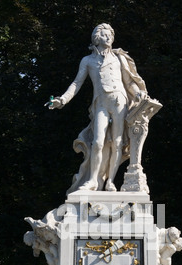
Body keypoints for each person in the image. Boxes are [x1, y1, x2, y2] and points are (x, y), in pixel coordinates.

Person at [47, 23, 148, 192]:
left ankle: (110, 181)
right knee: (98, 142)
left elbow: (129, 82)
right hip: (100, 103)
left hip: (119, 101)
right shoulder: (87, 61)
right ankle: (93, 180)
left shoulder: (118, 58)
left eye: (110, 35)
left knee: (117, 142)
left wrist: (139, 93)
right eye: (104, 35)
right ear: (96, 38)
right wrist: (62, 99)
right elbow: (76, 83)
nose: (108, 38)